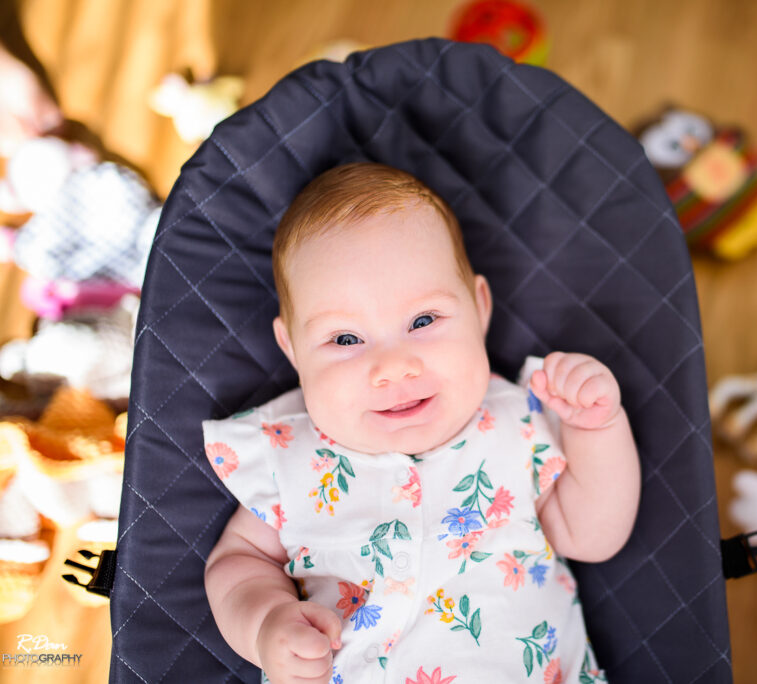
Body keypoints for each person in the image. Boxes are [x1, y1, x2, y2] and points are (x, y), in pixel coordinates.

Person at [202, 162, 641, 684]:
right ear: (293, 349)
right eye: (345, 339)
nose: (393, 368)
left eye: (423, 321)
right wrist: (265, 623)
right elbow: (239, 562)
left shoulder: (519, 420)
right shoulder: (286, 453)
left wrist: (596, 428)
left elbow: (592, 535)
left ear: (479, 308)